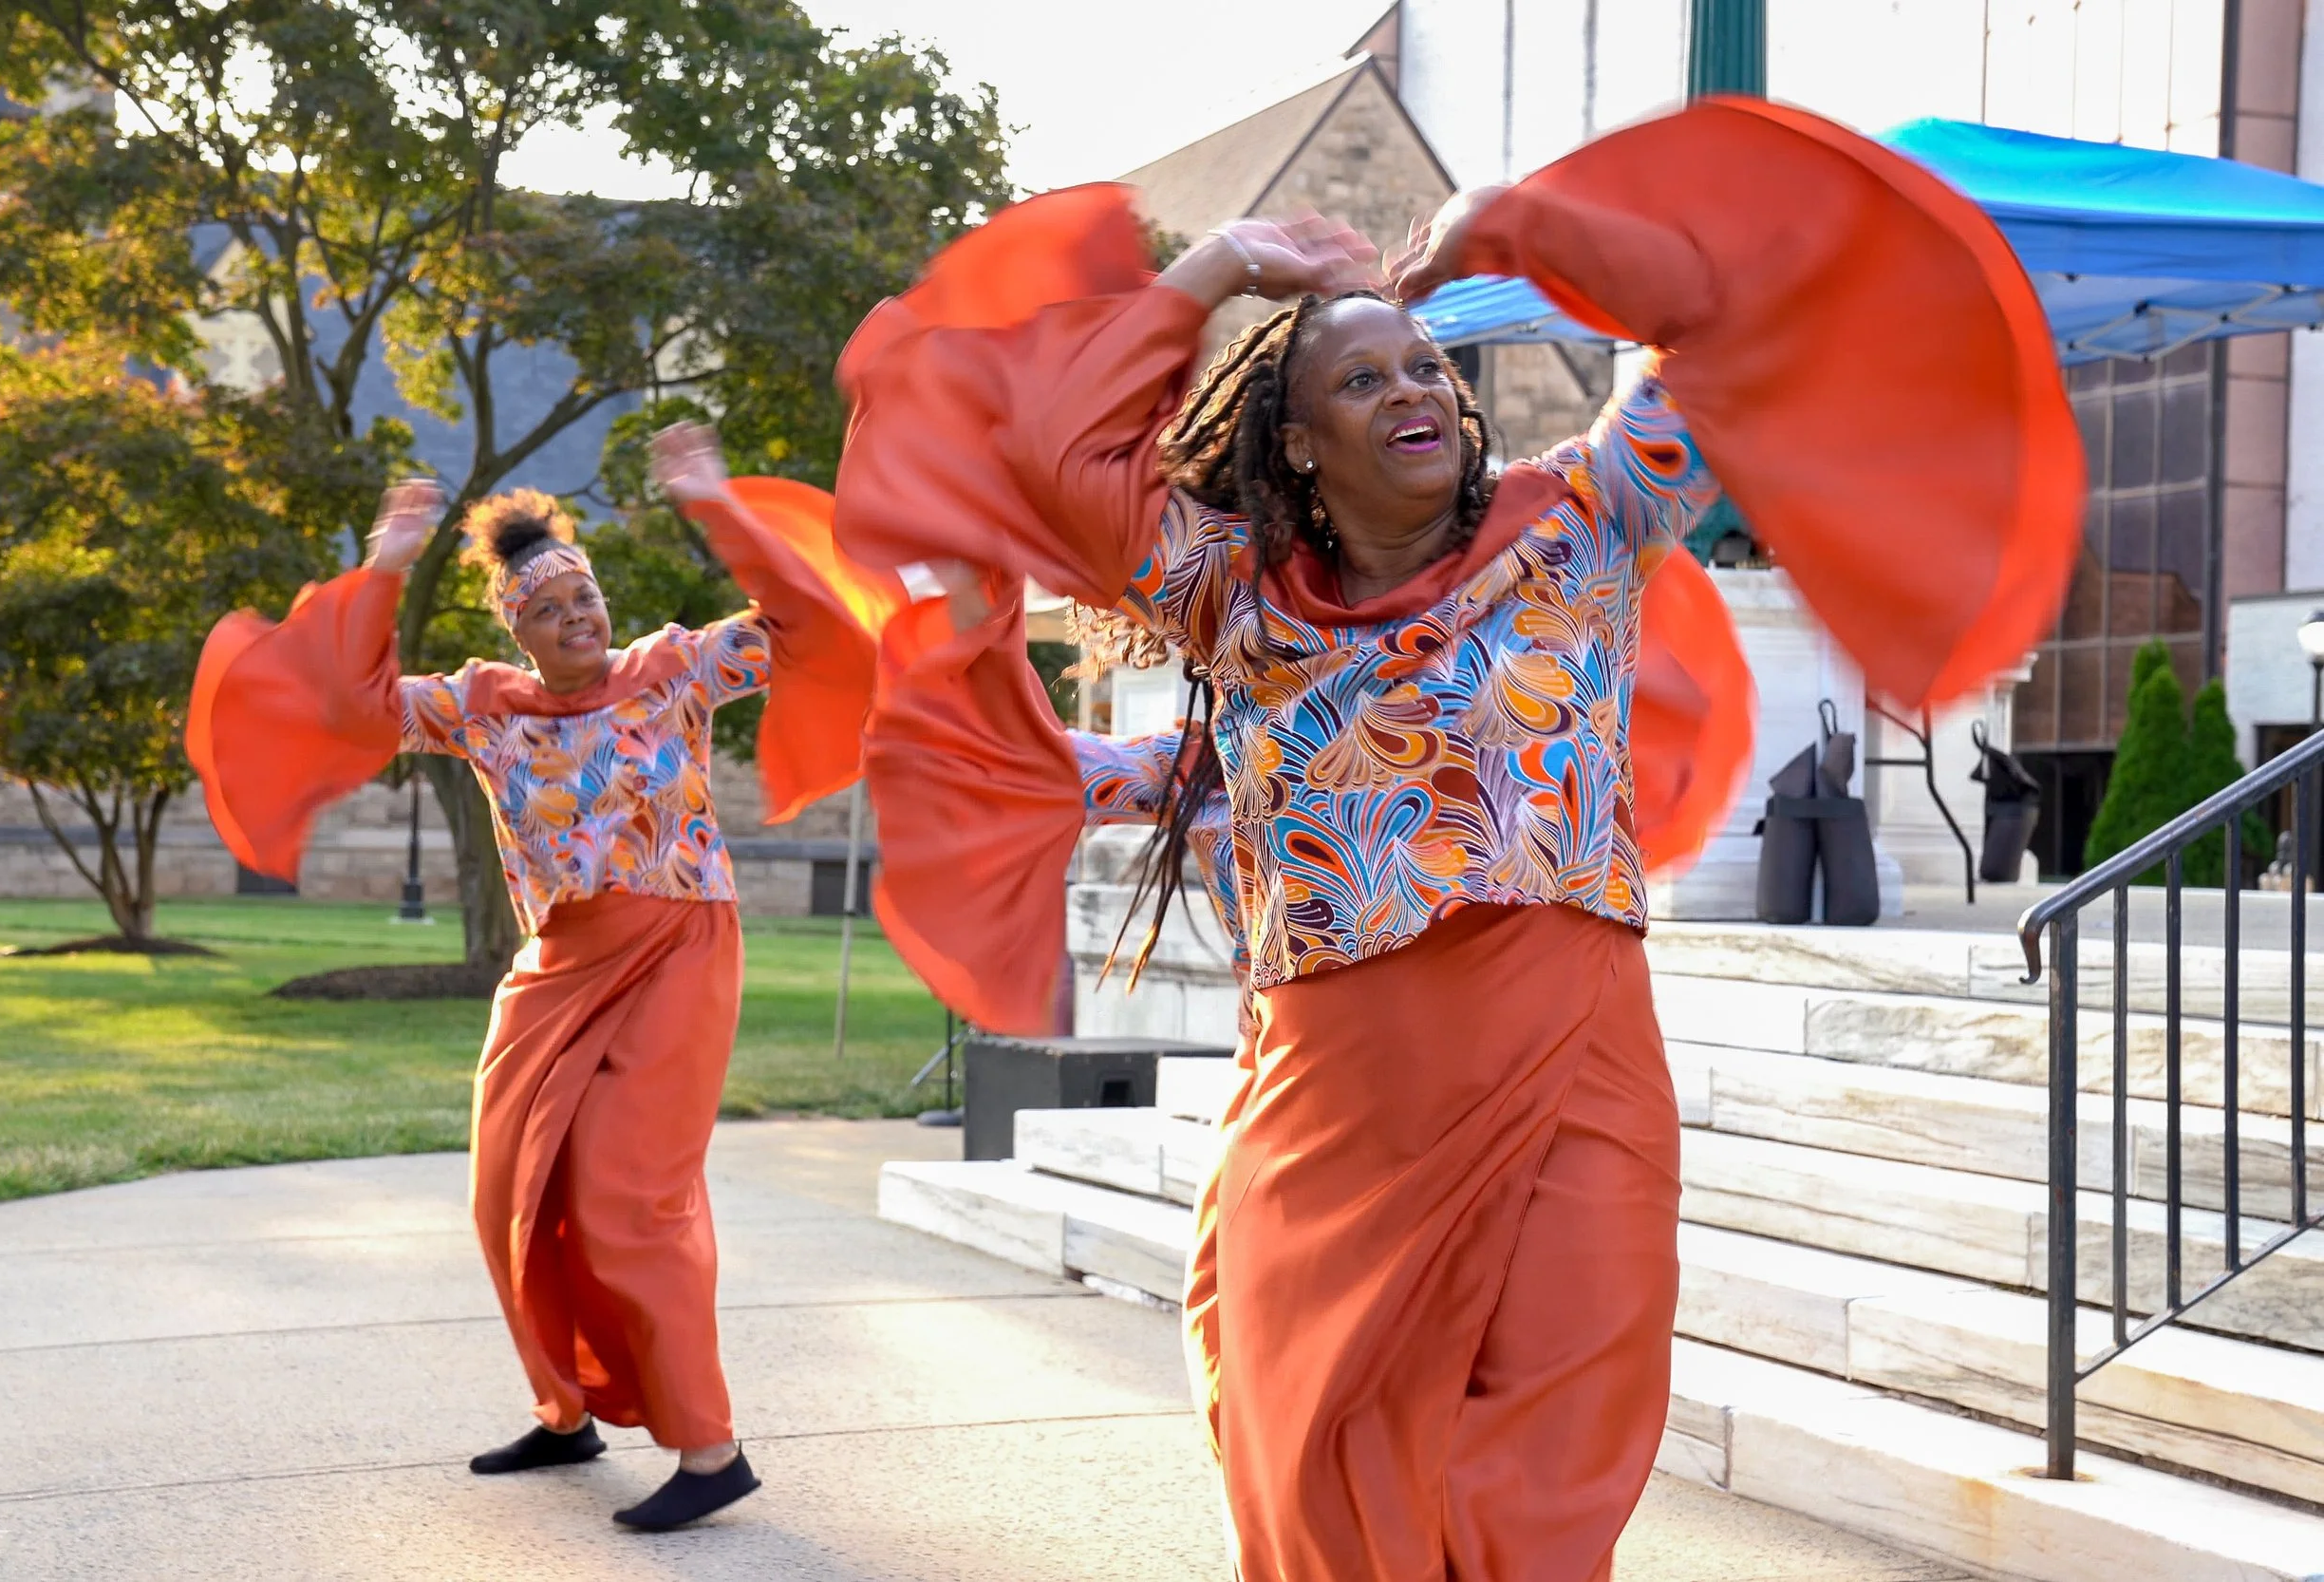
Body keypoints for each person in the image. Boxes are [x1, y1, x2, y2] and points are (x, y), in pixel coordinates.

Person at [827, 98, 2079, 1579]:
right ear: (1296, 443)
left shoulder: (1588, 522)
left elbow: (1741, 322)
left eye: (1426, 364)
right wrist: (1220, 263)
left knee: (1553, 1449)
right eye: (1362, 380)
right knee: (1317, 1446)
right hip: (1339, 1095)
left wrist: (1520, 227)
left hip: (1575, 1064)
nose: (1411, 388)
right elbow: (1052, 449)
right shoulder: (1231, 591)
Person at [187, 468, 881, 1532]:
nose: (576, 621)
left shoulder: (675, 670)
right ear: (521, 632)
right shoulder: (480, 708)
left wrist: (713, 503)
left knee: (627, 1196)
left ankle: (710, 1449)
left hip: (677, 942)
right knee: (510, 1185)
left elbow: (808, 625)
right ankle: (566, 1412)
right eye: (548, 612)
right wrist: (387, 562)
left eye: (584, 600)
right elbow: (350, 703)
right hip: (557, 959)